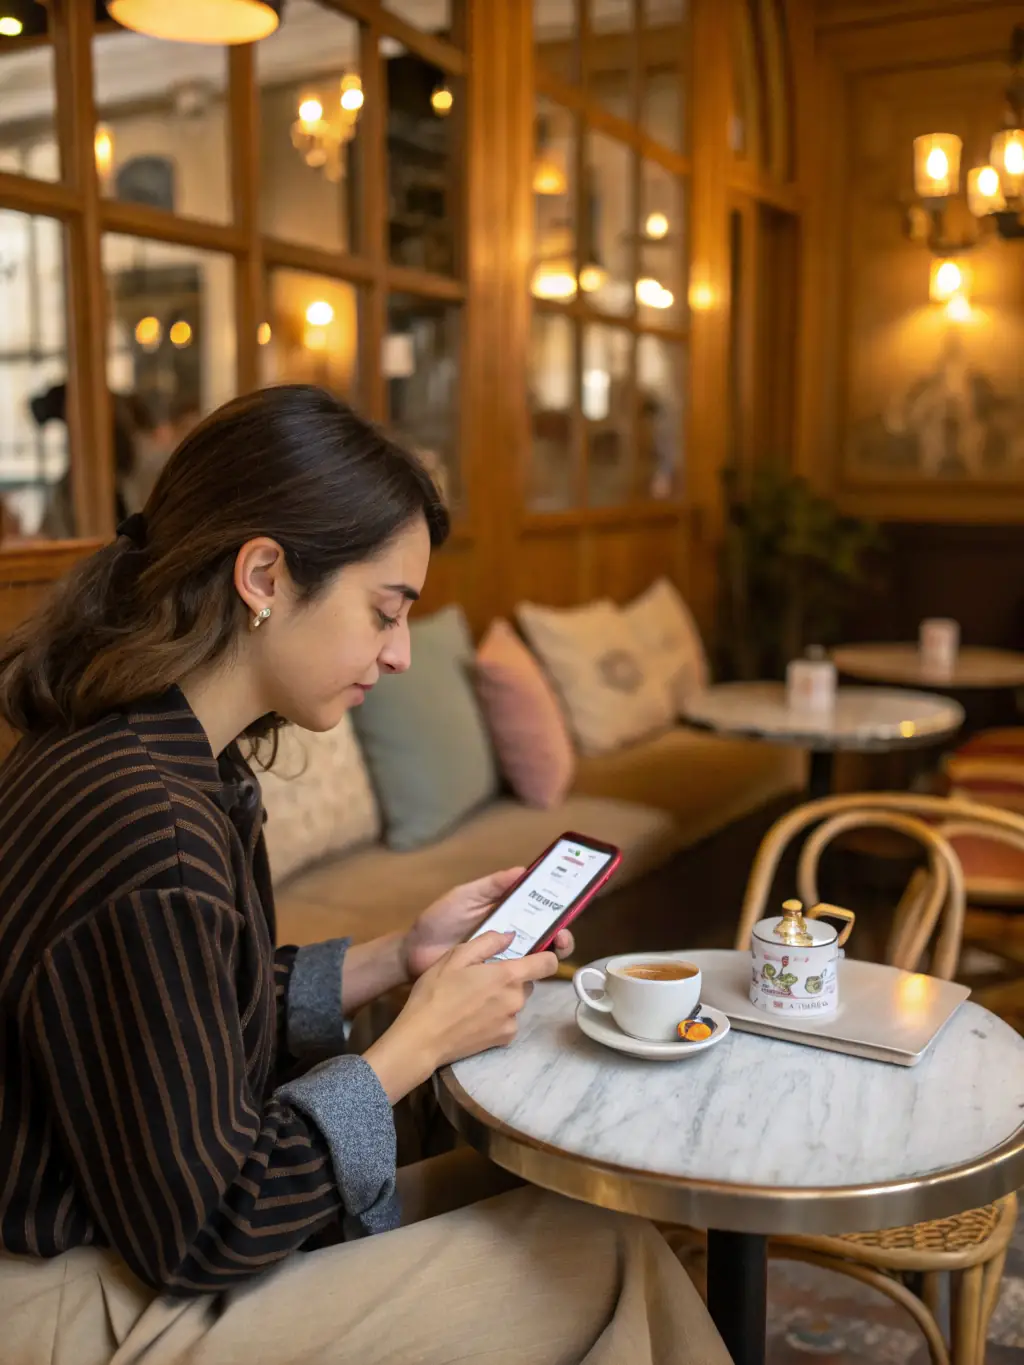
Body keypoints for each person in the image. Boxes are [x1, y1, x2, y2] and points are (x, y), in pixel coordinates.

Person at [0, 385, 730, 1365]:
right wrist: (414, 1044)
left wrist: (399, 957)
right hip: (73, 1295)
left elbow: (170, 1019)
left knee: (579, 1204)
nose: (399, 654)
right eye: (386, 611)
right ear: (263, 574)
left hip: (123, 1239)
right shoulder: (149, 822)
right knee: (603, 1257)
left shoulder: (151, 753)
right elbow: (209, 1227)